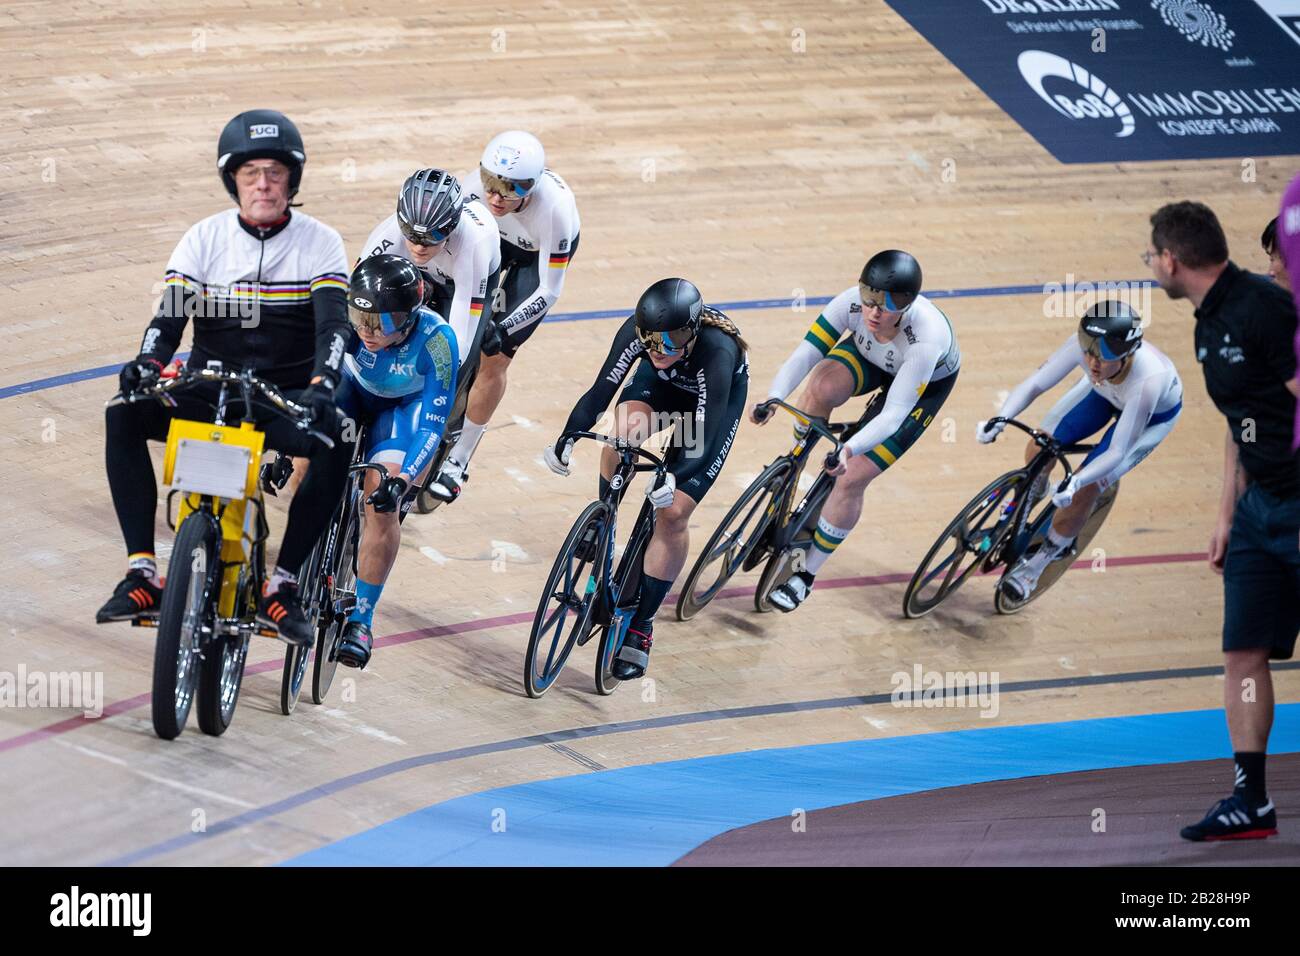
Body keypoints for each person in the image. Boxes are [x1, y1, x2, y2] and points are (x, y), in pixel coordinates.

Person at [98, 109, 353, 647]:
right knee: (121, 413)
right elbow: (167, 322)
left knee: (339, 441)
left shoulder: (321, 242)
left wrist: (323, 385)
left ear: (293, 180)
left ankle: (281, 585)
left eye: (275, 172)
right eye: (251, 173)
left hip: (279, 397)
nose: (263, 184)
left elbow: (334, 326)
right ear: (232, 180)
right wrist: (146, 362)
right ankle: (142, 572)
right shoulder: (203, 238)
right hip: (207, 387)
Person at [1143, 200, 1298, 841]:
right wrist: (1227, 514)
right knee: (1242, 654)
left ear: (1173, 261)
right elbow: (1240, 422)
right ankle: (1251, 801)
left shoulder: (1264, 308)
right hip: (1259, 512)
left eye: (1151, 256)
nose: (1151, 265)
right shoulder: (1208, 324)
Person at [543, 279, 748, 679]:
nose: (659, 350)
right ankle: (605, 520)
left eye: (671, 342)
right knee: (620, 435)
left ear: (691, 333)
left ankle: (642, 625)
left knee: (673, 513)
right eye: (651, 341)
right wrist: (566, 437)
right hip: (663, 389)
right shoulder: (640, 337)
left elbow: (702, 436)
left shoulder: (717, 351)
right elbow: (600, 392)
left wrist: (674, 477)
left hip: (710, 409)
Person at [753, 250, 960, 612]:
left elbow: (894, 414)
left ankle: (806, 575)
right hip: (872, 357)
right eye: (870, 298)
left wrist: (848, 449)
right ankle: (796, 465)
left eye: (890, 302)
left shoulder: (925, 339)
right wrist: (774, 396)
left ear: (909, 303)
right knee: (821, 388)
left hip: (920, 387)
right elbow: (805, 355)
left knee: (853, 477)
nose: (875, 311)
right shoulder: (850, 304)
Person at [977, 301, 1182, 601]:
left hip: (1150, 419)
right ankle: (1032, 492)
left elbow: (1116, 450)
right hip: (1102, 393)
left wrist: (1077, 481)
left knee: (1086, 489)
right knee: (1040, 445)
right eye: (1088, 349)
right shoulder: (1084, 349)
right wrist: (1001, 417)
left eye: (1106, 355)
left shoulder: (1148, 381)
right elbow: (1035, 384)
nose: (1093, 360)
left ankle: (1036, 566)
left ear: (1128, 354)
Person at [430, 131, 581, 501]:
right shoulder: (469, 190)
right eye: (491, 183)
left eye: (512, 188)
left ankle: (458, 461)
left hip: (535, 259)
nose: (496, 197)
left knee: (494, 358)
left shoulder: (555, 209)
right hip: (490, 242)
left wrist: (503, 327)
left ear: (533, 185)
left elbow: (549, 289)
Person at [330, 255, 459, 668]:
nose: (366, 331)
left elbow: (433, 424)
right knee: (305, 461)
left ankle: (362, 620)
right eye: (360, 319)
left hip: (401, 410)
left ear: (407, 319)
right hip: (352, 386)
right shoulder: (346, 320)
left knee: (380, 504)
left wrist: (402, 481)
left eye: (380, 323)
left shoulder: (437, 342)